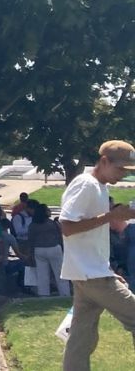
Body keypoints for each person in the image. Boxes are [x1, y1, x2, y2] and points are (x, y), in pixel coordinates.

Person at [59, 140, 135, 371]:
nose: (123, 175)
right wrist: (111, 216)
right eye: (120, 168)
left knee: (81, 339)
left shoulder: (99, 186)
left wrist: (108, 270)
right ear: (104, 161)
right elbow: (67, 226)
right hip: (92, 276)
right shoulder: (87, 184)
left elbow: (88, 240)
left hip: (88, 274)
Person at [27, 202, 70, 297]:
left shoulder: (33, 225)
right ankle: (65, 294)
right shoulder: (52, 223)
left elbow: (30, 240)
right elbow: (60, 236)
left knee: (42, 275)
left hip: (39, 249)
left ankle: (43, 295)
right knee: (60, 274)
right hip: (54, 248)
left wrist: (30, 253)